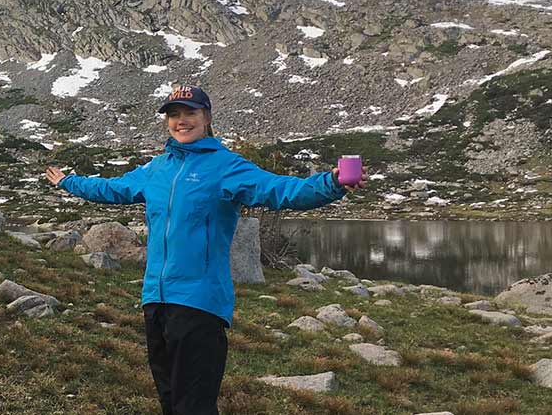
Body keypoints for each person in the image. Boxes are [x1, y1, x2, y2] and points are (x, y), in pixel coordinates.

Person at [45, 84, 363, 415]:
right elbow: (112, 188)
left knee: (194, 405)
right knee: (170, 400)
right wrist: (69, 182)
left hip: (200, 303)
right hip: (156, 300)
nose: (181, 121)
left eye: (190, 113)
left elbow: (280, 189)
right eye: (174, 114)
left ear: (207, 117)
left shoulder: (226, 166)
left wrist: (330, 183)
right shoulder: (157, 168)